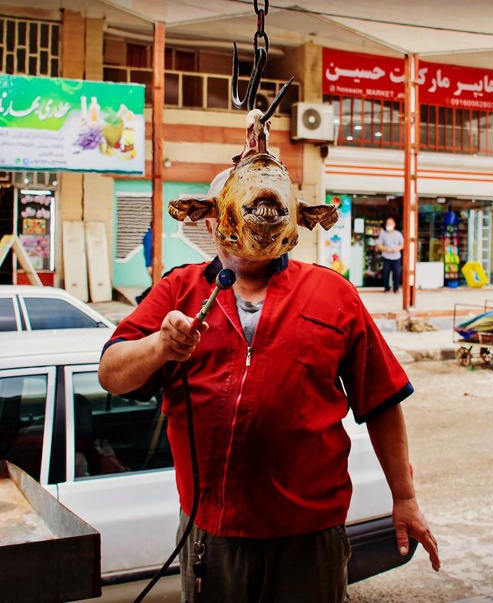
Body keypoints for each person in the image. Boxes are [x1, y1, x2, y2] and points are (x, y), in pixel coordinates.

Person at [97, 175, 440, 603]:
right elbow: (111, 372)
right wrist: (159, 346)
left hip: (310, 539)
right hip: (211, 537)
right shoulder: (178, 290)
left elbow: (383, 400)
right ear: (209, 221)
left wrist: (404, 497)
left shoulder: (332, 293)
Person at [376, 216, 404, 293]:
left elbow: (402, 245)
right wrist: (387, 249)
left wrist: (396, 249)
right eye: (387, 223)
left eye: (390, 223)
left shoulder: (398, 234)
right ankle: (386, 288)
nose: (389, 225)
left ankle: (396, 288)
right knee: (386, 273)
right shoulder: (383, 234)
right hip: (386, 256)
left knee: (396, 273)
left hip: (396, 257)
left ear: (394, 224)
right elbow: (379, 245)